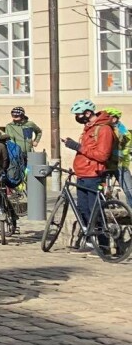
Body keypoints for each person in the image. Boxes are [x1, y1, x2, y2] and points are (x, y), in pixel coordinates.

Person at [63, 99, 116, 249]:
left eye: (79, 114)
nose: (77, 117)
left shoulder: (104, 129)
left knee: (95, 212)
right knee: (83, 209)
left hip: (94, 175)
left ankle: (103, 245)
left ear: (88, 113)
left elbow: (102, 155)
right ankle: (90, 242)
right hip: (83, 174)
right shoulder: (89, 128)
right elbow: (86, 151)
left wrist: (77, 146)